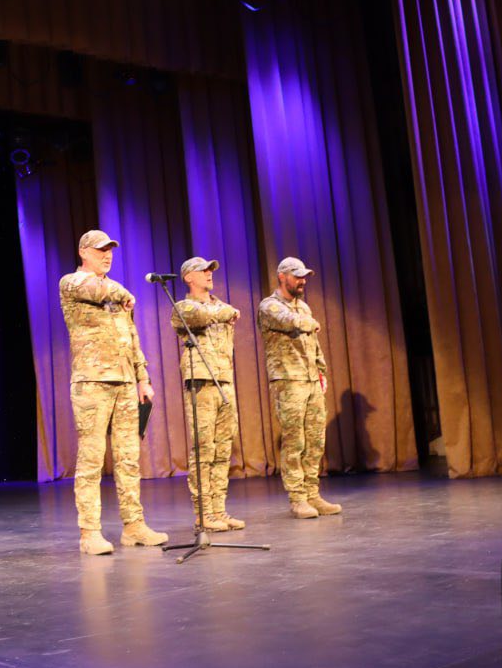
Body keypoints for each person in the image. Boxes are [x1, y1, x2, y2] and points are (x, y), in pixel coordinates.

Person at [59, 229, 168, 555]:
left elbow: (131, 337)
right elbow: (97, 289)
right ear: (83, 252)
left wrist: (142, 378)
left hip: (124, 383)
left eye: (110, 250)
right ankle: (89, 532)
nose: (107, 255)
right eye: (100, 250)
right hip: (92, 382)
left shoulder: (118, 295)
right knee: (92, 459)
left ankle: (133, 526)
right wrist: (123, 292)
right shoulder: (72, 283)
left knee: (128, 458)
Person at [256, 257, 342, 519]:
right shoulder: (269, 306)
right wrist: (309, 322)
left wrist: (321, 371)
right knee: (295, 440)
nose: (303, 281)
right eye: (297, 276)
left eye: (304, 276)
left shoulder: (303, 306)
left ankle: (312, 493)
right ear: (282, 277)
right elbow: (289, 321)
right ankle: (297, 498)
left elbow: (314, 344)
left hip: (310, 380)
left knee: (315, 439)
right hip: (288, 380)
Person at [171, 256, 244, 532]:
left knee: (224, 448)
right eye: (203, 271)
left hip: (225, 380)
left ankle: (218, 510)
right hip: (201, 381)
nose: (209, 274)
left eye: (210, 270)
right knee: (204, 448)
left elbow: (226, 313)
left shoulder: (221, 305)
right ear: (188, 277)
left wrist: (225, 311)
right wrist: (225, 313)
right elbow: (198, 317)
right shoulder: (183, 307)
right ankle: (203, 513)